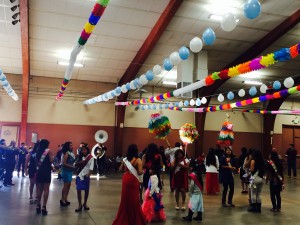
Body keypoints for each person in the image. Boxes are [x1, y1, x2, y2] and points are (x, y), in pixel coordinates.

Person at [112, 144, 146, 225]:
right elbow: (140, 172)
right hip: (133, 181)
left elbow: (120, 169)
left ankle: (124, 217)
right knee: (134, 200)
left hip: (126, 179)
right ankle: (134, 219)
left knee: (125, 199)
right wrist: (143, 171)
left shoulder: (125, 160)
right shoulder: (138, 160)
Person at [35, 139, 54, 215]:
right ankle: (44, 207)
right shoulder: (48, 151)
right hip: (46, 171)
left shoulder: (37, 152)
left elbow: (37, 162)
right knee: (46, 189)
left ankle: (37, 205)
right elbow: (51, 161)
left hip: (39, 171)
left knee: (39, 189)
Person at [74, 144, 94, 212]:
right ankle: (79, 204)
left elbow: (91, 167)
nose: (83, 151)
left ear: (87, 150)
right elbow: (75, 164)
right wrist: (80, 162)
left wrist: (89, 174)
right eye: (82, 150)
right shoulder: (79, 157)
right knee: (78, 190)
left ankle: (85, 204)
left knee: (86, 190)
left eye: (85, 150)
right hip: (79, 175)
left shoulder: (91, 157)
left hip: (86, 176)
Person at [60, 142, 76, 206]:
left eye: (72, 145)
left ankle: (66, 198)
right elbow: (64, 163)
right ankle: (62, 199)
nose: (72, 146)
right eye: (70, 145)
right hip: (66, 171)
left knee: (69, 185)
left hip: (70, 171)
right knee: (65, 185)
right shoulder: (66, 153)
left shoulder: (71, 153)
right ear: (67, 146)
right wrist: (72, 167)